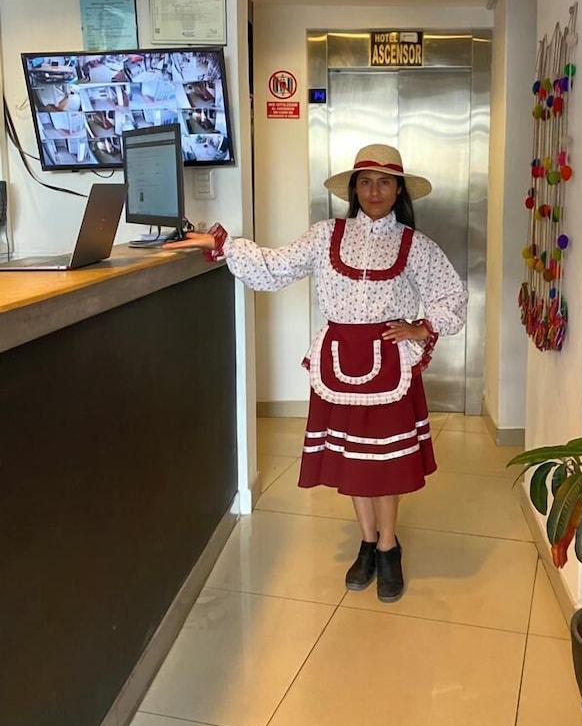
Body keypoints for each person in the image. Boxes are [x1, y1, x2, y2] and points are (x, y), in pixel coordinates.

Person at [164, 144, 468, 602]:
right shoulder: (325, 235)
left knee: (385, 461)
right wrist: (221, 244)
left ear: (399, 190)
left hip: (390, 365)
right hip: (339, 361)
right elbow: (275, 266)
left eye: (385, 182)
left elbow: (453, 296)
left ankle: (389, 547)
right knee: (354, 459)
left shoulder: (416, 245)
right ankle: (367, 541)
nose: (374, 191)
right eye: (365, 182)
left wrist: (421, 327)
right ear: (353, 189)